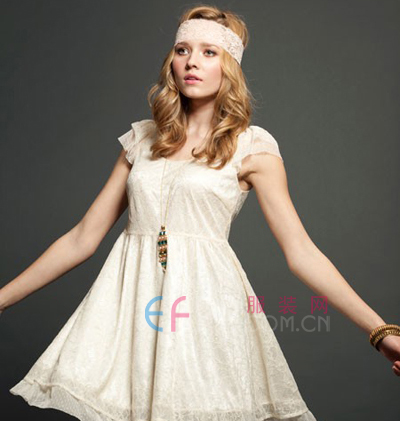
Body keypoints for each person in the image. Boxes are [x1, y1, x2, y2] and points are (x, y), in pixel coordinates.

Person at [2, 4, 399, 421]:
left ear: (230, 67)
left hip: (205, 313)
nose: (192, 61)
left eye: (210, 52)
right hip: (131, 311)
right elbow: (83, 237)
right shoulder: (142, 140)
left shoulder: (252, 148)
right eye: (183, 50)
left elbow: (301, 252)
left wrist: (380, 331)